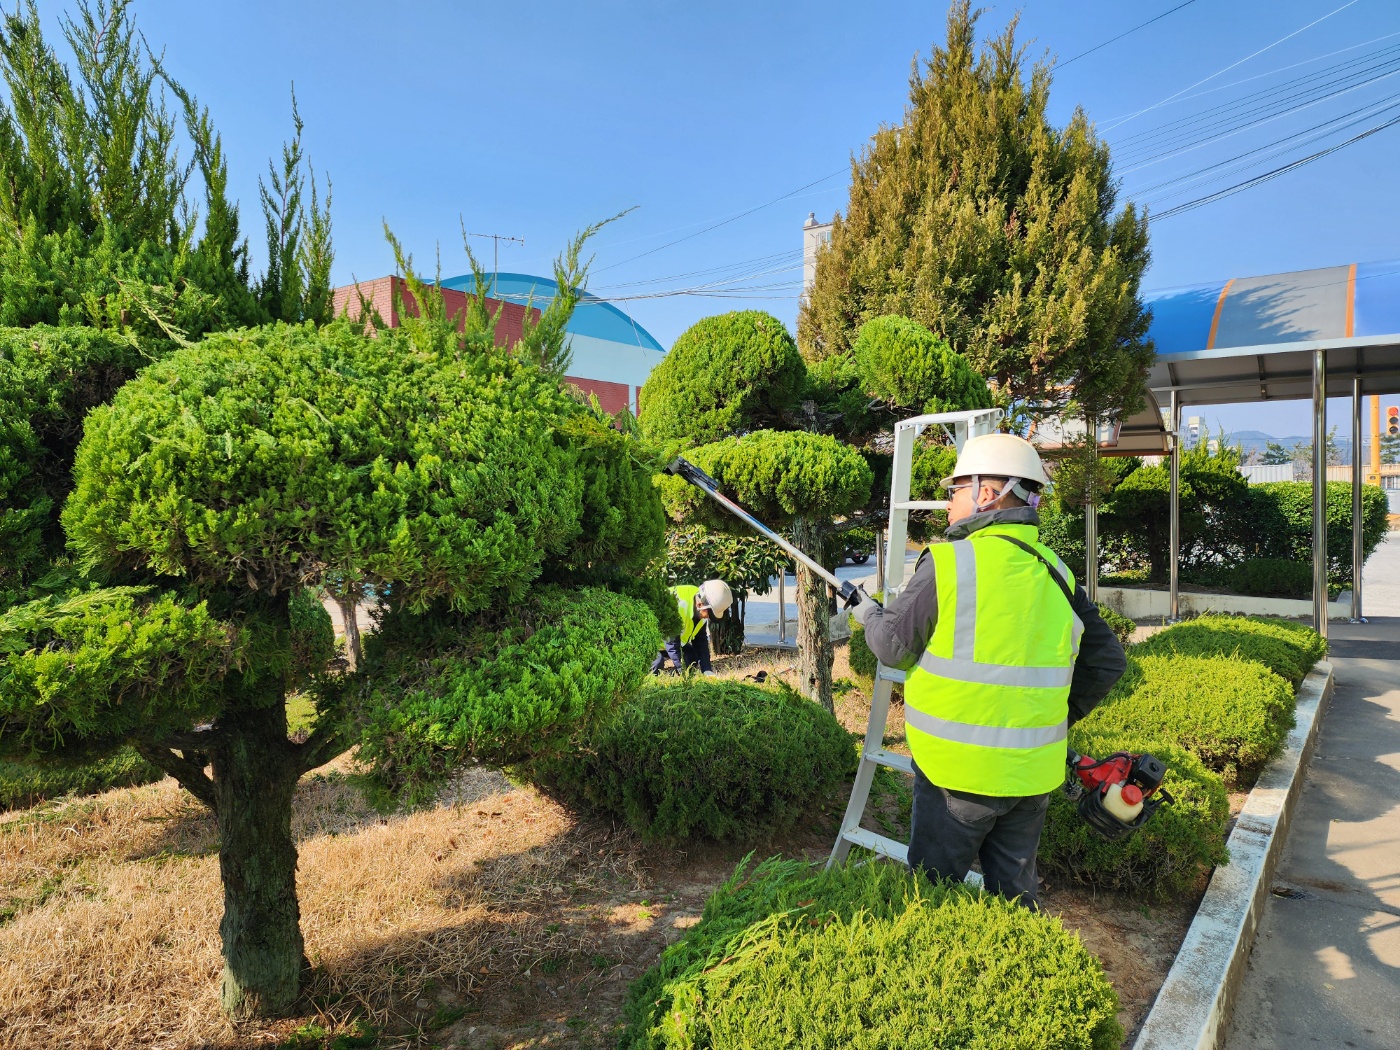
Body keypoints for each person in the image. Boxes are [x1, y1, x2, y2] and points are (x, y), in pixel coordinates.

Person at [852, 434, 1126, 908]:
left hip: (955, 776)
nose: (947, 500)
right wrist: (1050, 721)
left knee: (930, 899)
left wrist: (867, 615)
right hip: (1031, 777)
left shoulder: (950, 562)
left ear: (987, 493)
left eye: (955, 488)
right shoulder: (1057, 571)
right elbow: (1107, 662)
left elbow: (892, 648)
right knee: (1016, 901)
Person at [651, 579, 734, 675]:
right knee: (657, 661)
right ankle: (649, 685)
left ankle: (672, 680)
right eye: (710, 613)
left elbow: (700, 641)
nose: (708, 617)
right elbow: (672, 644)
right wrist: (682, 671)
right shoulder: (678, 605)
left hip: (669, 643)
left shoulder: (700, 605)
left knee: (690, 658)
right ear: (700, 604)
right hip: (650, 643)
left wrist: (706, 669)